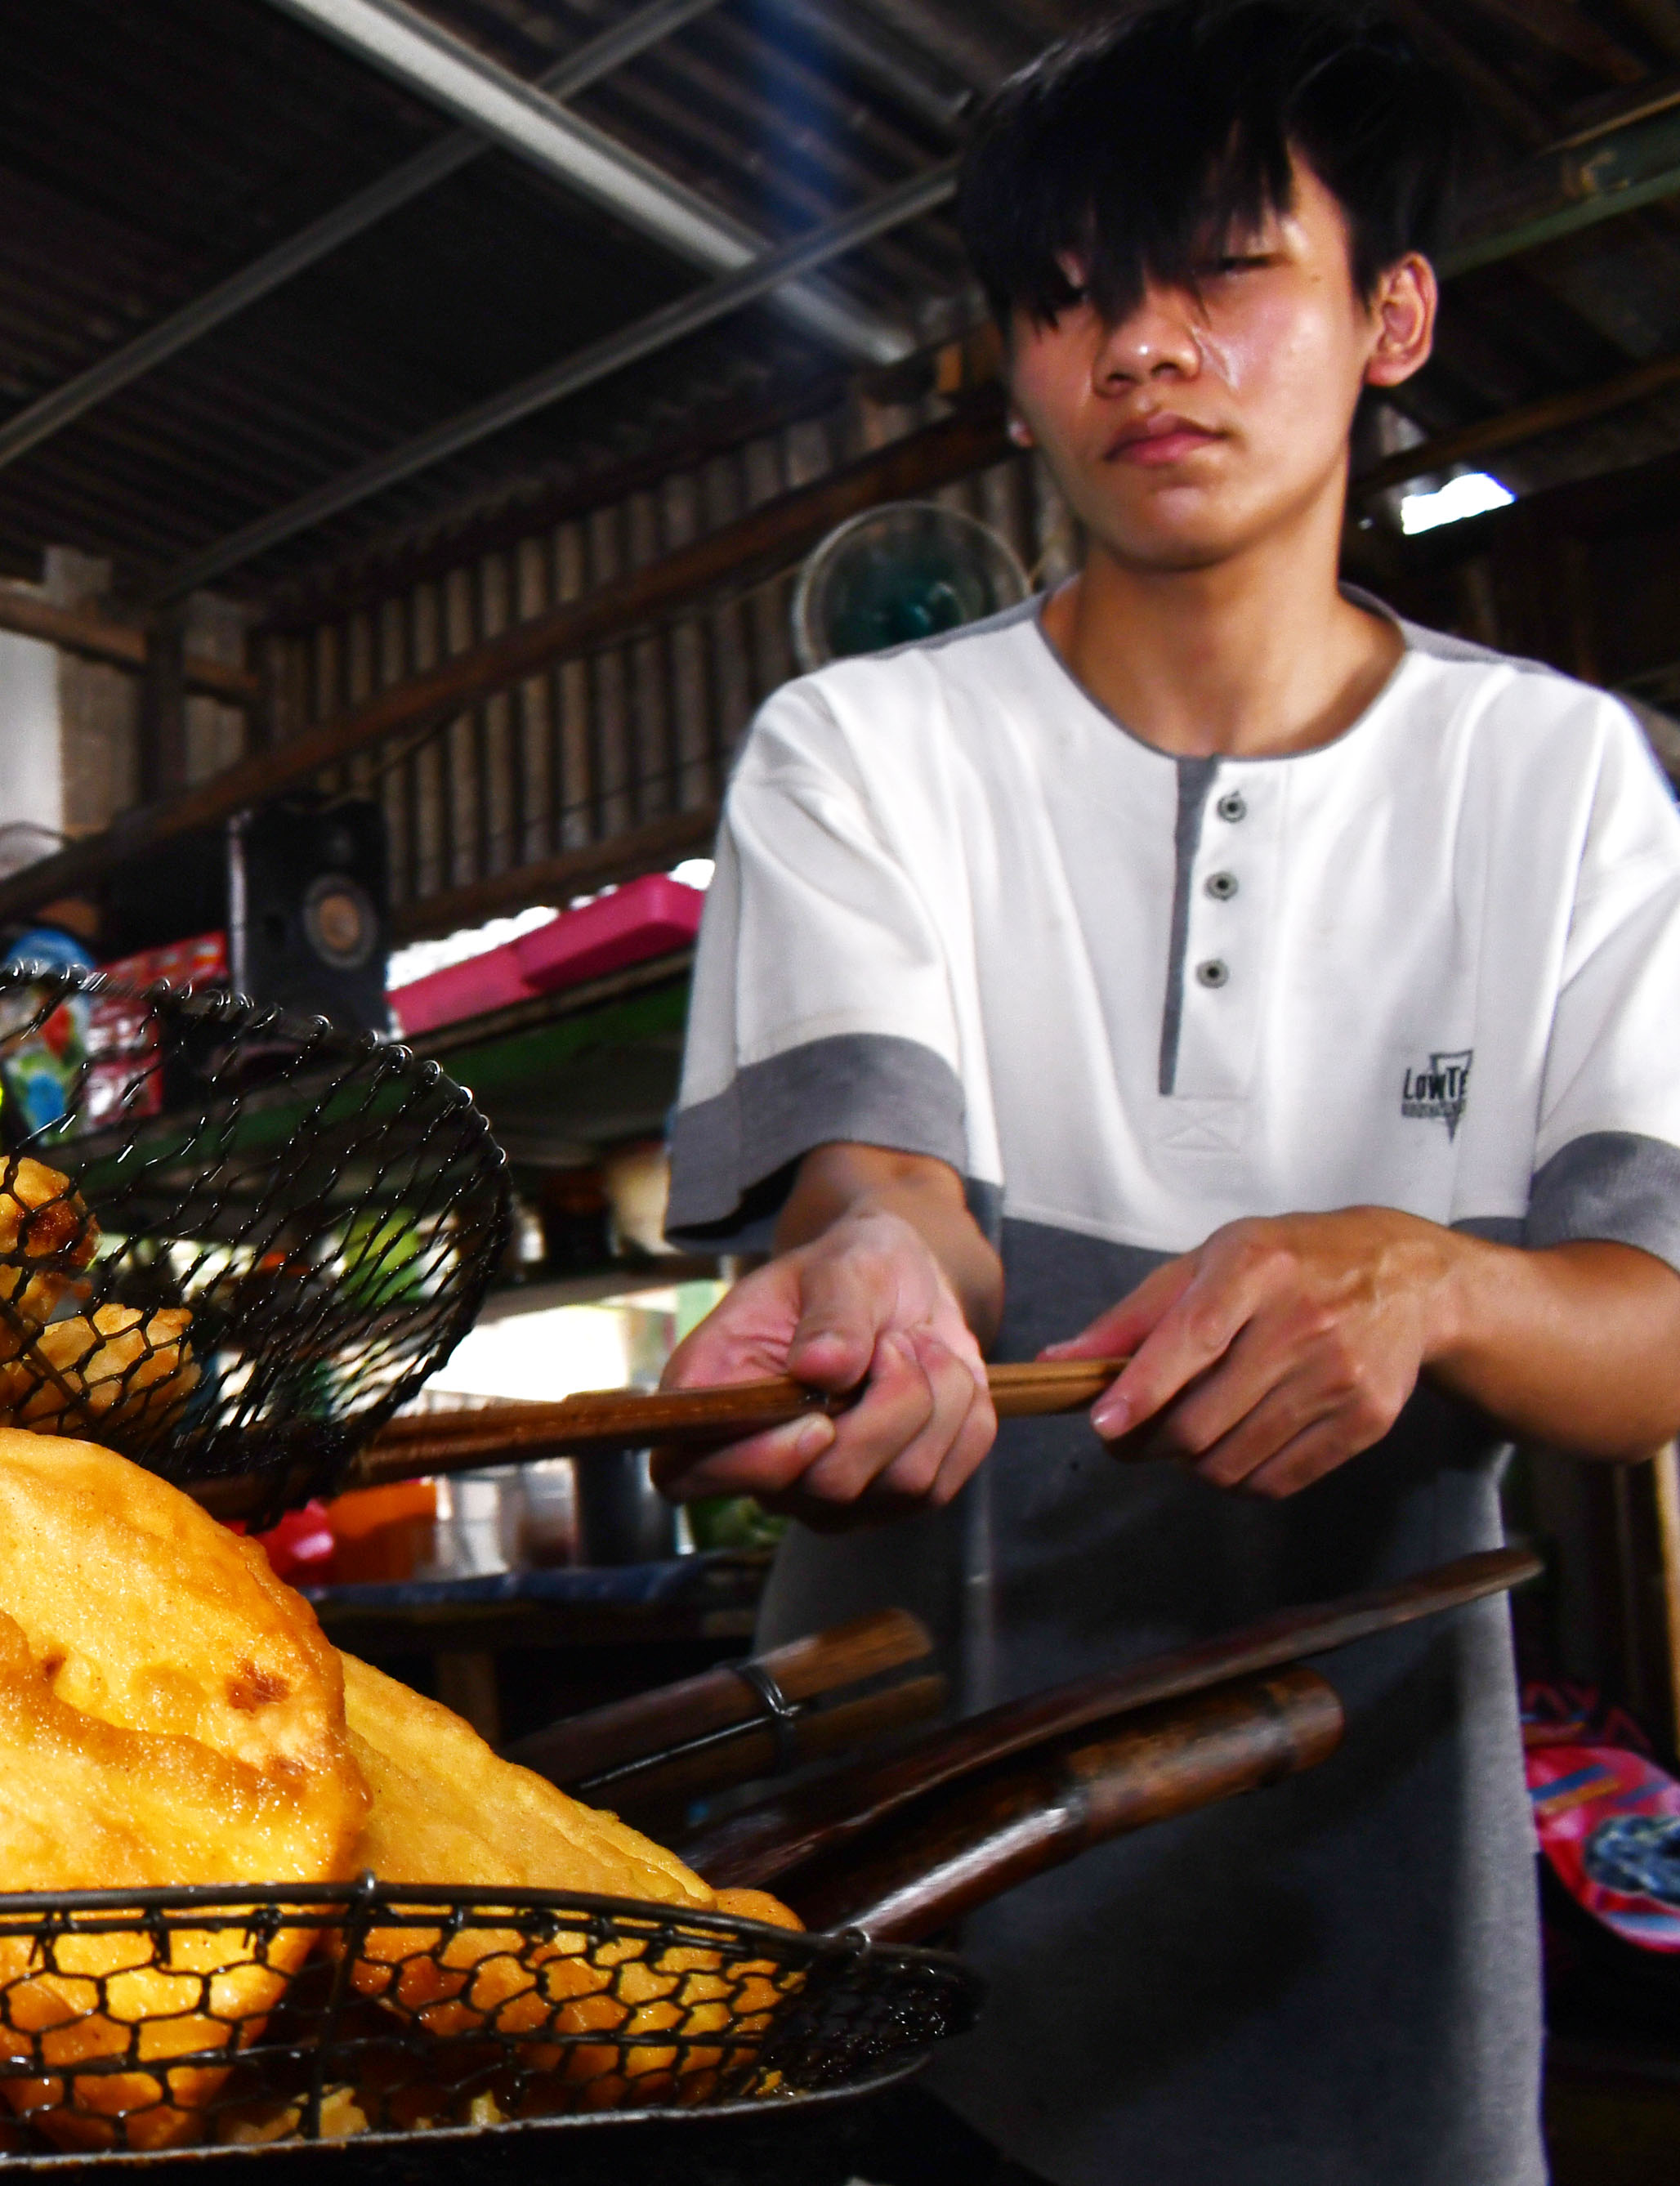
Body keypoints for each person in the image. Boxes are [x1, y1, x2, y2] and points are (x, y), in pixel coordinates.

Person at [656, 6, 1680, 2183]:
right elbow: (884, 1181)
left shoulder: (1561, 781)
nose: (1142, 349)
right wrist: (867, 1268)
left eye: (1220, 273)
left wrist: (1441, 1284)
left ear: (1391, 314)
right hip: (895, 1857)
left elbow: (1653, 1329)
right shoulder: (863, 752)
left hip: (1364, 1902)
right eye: (1072, 298)